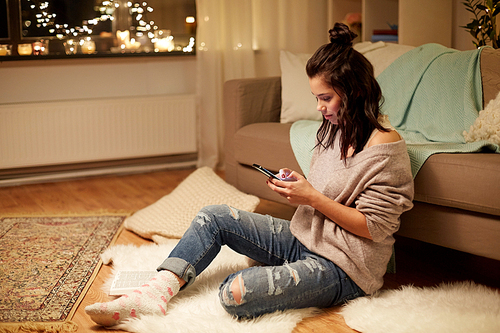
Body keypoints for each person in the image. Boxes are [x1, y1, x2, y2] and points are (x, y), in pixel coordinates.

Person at [85, 23, 414, 326]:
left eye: (325, 98)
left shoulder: (385, 149)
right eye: (316, 98)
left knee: (236, 293)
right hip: (304, 238)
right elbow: (330, 191)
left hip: (345, 266)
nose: (319, 108)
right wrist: (297, 186)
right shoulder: (334, 131)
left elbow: (374, 228)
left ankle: (297, 281)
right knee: (213, 217)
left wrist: (310, 197)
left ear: (355, 92)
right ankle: (154, 293)